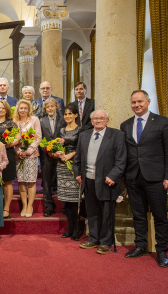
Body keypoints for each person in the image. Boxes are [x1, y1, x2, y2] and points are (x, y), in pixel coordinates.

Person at [120, 90, 168, 267]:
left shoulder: (162, 122)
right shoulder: (125, 125)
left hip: (155, 177)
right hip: (133, 176)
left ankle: (162, 250)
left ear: (148, 101)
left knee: (160, 216)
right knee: (138, 215)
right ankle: (141, 246)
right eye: (133, 102)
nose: (137, 105)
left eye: (140, 101)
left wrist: (167, 176)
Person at [74, 110, 126, 255]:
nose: (98, 121)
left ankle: (105, 241)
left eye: (101, 118)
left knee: (106, 212)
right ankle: (94, 238)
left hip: (107, 181)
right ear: (91, 121)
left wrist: (113, 176)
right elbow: (77, 158)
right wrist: (77, 173)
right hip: (88, 180)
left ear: (107, 121)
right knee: (92, 212)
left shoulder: (117, 135)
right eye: (95, 118)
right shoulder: (84, 135)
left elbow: (121, 160)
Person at [52, 103, 80, 240]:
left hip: (74, 165)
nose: (68, 116)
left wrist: (71, 155)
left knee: (74, 200)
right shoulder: (61, 130)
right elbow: (53, 145)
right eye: (66, 114)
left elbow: (82, 148)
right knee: (65, 200)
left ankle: (77, 229)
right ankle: (70, 227)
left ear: (76, 115)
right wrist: (56, 153)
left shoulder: (81, 130)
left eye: (70, 114)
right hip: (62, 165)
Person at [13, 100, 41, 217]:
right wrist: (19, 151)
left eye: (25, 108)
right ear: (17, 109)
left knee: (31, 181)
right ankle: (24, 205)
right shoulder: (14, 122)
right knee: (21, 181)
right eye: (21, 108)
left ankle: (30, 205)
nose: (23, 110)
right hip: (19, 156)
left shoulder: (34, 120)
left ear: (28, 109)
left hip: (31, 155)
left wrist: (29, 151)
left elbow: (38, 137)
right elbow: (12, 139)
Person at [39, 98, 66, 216]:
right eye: (48, 107)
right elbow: (39, 139)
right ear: (45, 109)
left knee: (62, 180)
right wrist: (48, 151)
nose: (50, 108)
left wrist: (59, 152)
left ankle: (65, 206)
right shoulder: (41, 121)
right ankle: (49, 206)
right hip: (47, 155)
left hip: (61, 155)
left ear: (56, 107)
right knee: (46, 182)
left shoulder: (63, 120)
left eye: (52, 106)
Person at [0, 100, 20, 219]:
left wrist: (5, 145)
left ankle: (6, 208)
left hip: (7, 154)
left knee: (7, 181)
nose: (0, 110)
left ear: (6, 110)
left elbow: (17, 139)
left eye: (3, 108)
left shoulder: (11, 123)